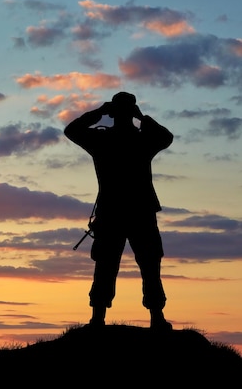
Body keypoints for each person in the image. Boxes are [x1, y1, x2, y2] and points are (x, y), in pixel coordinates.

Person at [64, 91, 173, 330]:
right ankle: (155, 317)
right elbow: (166, 137)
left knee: (109, 264)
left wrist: (99, 112)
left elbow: (71, 130)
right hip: (138, 211)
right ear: (132, 111)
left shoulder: (102, 140)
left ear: (112, 112)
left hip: (113, 212)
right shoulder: (143, 139)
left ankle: (98, 319)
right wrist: (142, 118)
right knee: (146, 265)